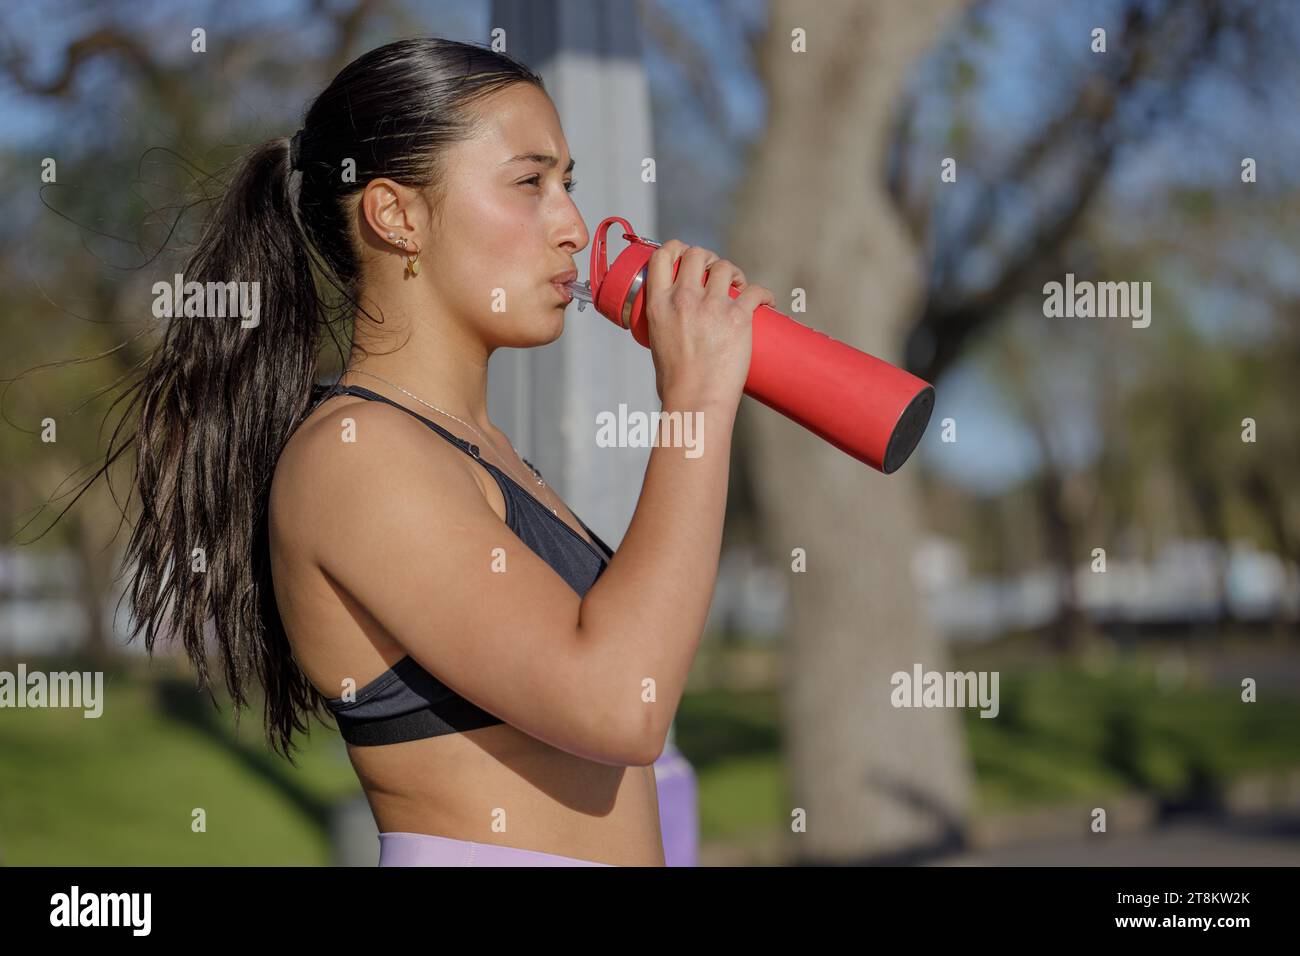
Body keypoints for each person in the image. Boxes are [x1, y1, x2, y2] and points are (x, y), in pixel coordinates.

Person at [121, 36, 774, 867]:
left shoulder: (477, 451)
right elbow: (621, 704)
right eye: (529, 183)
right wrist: (696, 407)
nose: (574, 227)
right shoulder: (357, 458)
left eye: (567, 185)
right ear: (396, 216)